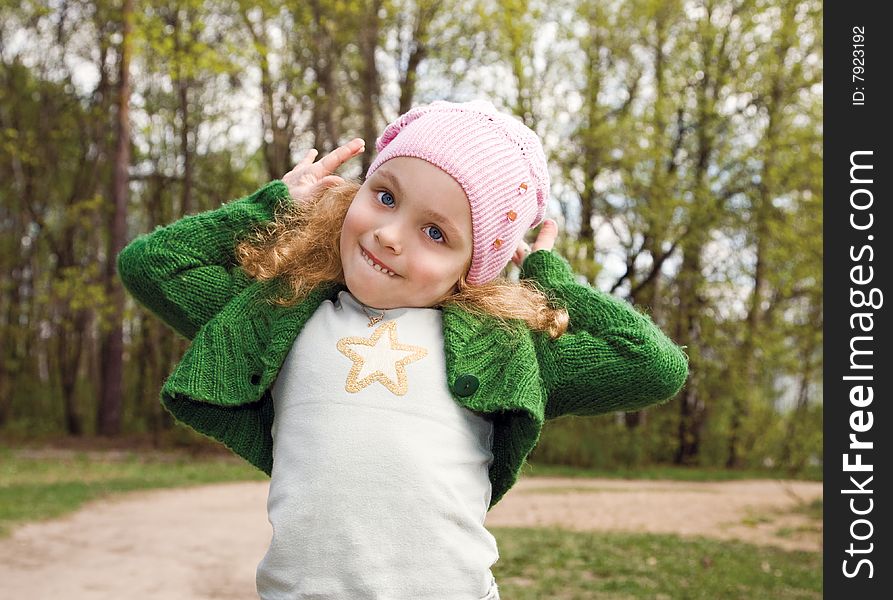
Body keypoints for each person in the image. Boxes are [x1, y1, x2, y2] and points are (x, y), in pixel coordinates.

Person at [118, 100, 688, 599]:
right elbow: (151, 265)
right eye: (385, 196)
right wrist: (272, 203)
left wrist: (546, 279)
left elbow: (655, 366)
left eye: (436, 233)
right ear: (356, 190)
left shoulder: (505, 351)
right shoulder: (283, 312)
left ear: (474, 268)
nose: (391, 234)